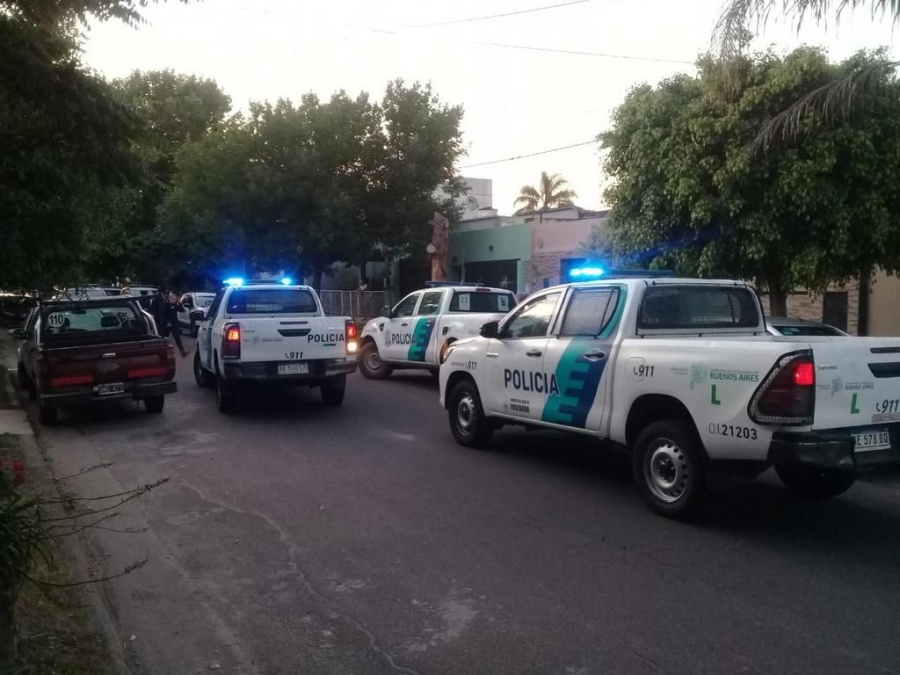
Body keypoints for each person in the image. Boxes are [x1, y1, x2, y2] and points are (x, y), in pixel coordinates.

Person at [150, 289, 188, 357]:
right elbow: (162, 314)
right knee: (164, 339)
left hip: (174, 324)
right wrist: (166, 322)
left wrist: (179, 303)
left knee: (177, 337)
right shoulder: (165, 305)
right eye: (172, 298)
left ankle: (182, 352)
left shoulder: (176, 304)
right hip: (167, 324)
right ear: (169, 298)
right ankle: (162, 353)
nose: (173, 299)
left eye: (174, 298)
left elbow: (182, 310)